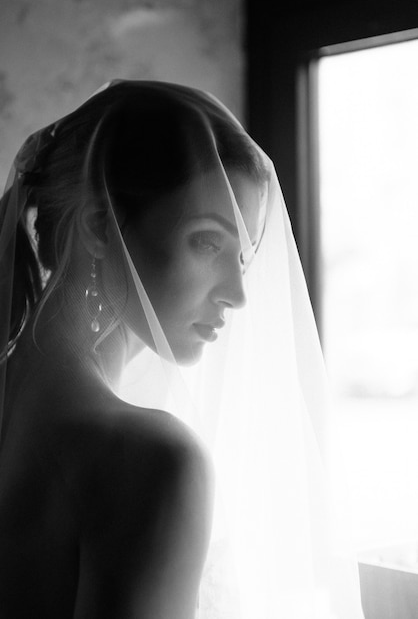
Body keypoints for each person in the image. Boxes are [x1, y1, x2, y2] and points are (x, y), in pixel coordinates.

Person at [0, 80, 364, 618]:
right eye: (207, 241)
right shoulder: (154, 461)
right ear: (102, 227)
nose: (237, 293)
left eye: (243, 255)